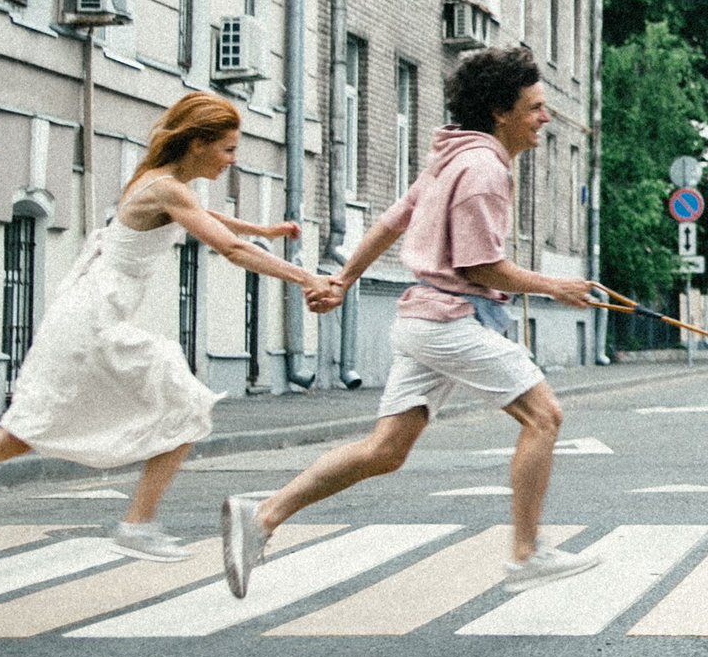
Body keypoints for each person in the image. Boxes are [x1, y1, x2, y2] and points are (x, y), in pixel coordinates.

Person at [0, 93, 337, 567]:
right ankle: (137, 524)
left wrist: (265, 230)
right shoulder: (169, 188)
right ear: (196, 143)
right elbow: (230, 249)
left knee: (23, 432)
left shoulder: (160, 182)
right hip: (94, 321)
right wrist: (306, 278)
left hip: (88, 313)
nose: (233, 161)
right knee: (185, 404)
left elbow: (203, 216)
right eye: (229, 149)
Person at [221, 47, 601, 597]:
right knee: (544, 416)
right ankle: (527, 553)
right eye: (536, 107)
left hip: (424, 318)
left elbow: (389, 222)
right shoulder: (483, 167)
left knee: (385, 451)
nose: (545, 118)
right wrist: (555, 286)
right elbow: (478, 265)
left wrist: (343, 281)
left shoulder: (450, 159)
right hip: (451, 320)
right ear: (500, 112)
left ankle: (259, 518)